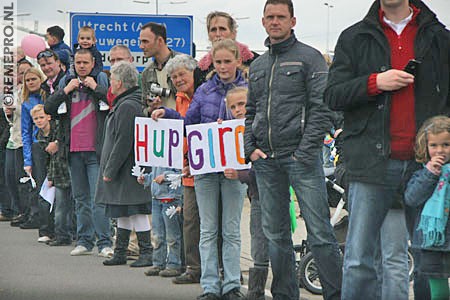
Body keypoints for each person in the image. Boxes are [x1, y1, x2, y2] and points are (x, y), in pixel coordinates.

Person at [324, 0, 450, 299]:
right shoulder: (354, 37)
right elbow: (332, 95)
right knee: (358, 260)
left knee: (428, 261)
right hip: (371, 164)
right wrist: (375, 82)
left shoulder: (439, 37)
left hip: (427, 166)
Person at [244, 1, 342, 299]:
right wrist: (250, 148)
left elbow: (321, 108)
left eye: (281, 17)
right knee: (276, 237)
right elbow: (250, 112)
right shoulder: (258, 65)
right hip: (266, 160)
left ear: (293, 20)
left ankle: (336, 294)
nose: (275, 22)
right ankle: (286, 295)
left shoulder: (310, 58)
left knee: (321, 234)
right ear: (263, 21)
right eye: (270, 17)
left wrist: (304, 151)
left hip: (301, 158)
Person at [152, 39, 248, 300]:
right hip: (205, 169)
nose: (224, 66)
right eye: (219, 62)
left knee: (230, 230)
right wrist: (167, 114)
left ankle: (231, 285)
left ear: (238, 61)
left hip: (234, 169)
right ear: (212, 64)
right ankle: (210, 286)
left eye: (228, 61)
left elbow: (255, 125)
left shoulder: (249, 89)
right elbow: (188, 124)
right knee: (208, 229)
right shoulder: (204, 90)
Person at [44, 49, 113, 257]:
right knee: (80, 198)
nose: (82, 66)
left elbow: (113, 102)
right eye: (78, 62)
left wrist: (97, 88)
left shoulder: (99, 82)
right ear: (74, 64)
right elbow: (48, 108)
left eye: (85, 62)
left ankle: (104, 243)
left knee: (97, 199)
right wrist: (64, 90)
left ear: (93, 63)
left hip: (95, 150)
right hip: (73, 150)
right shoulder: (68, 82)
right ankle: (84, 241)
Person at [95, 61, 153, 267]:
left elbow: (123, 140)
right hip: (125, 167)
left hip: (128, 168)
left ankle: (147, 252)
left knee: (136, 209)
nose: (110, 84)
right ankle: (120, 251)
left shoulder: (127, 105)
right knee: (122, 209)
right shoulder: (126, 103)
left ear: (119, 83)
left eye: (111, 80)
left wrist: (110, 169)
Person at [227, 87, 269, 299]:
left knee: (266, 243)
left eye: (241, 104)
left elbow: (262, 167)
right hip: (256, 195)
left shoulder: (260, 127)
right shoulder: (236, 130)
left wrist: (240, 175)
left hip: (266, 192)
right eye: (232, 107)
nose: (237, 110)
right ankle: (256, 291)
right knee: (258, 242)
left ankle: (260, 291)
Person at [164, 54, 202, 284]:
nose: (178, 79)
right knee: (190, 220)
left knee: (211, 221)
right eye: (174, 76)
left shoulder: (204, 94)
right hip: (188, 167)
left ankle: (215, 267)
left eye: (182, 74)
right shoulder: (178, 98)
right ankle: (193, 268)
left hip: (206, 166)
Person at [405, 116, 450, 300]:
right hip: (429, 244)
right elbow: (411, 198)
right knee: (436, 292)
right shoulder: (421, 173)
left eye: (446, 144)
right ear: (426, 146)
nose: (440, 150)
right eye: (434, 145)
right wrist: (430, 173)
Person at [20, 67, 54, 242]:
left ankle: (60, 227)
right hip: (36, 147)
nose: (31, 82)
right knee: (42, 188)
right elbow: (25, 132)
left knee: (58, 185)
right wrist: (27, 160)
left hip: (53, 142)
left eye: (34, 79)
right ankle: (45, 229)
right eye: (27, 80)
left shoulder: (48, 95)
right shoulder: (26, 103)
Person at [31, 104, 73, 246]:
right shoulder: (40, 135)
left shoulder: (59, 129)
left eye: (41, 117)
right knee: (57, 204)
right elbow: (49, 158)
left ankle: (70, 233)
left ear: (49, 117)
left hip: (68, 168)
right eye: (36, 119)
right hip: (56, 172)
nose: (39, 121)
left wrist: (56, 143)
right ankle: (59, 233)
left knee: (71, 204)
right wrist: (50, 176)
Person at [138, 166, 183, 277]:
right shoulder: (159, 157)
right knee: (157, 234)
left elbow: (180, 173)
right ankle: (158, 263)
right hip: (157, 198)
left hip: (171, 197)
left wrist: (165, 176)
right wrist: (146, 179)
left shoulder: (174, 153)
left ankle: (174, 264)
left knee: (172, 236)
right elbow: (155, 174)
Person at [194, 11, 259, 88]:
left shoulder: (255, 62)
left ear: (233, 33)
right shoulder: (200, 70)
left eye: (222, 29)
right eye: (213, 30)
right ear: (209, 35)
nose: (218, 34)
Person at [5, 60, 33, 227]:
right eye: (19, 73)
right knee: (11, 178)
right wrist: (8, 112)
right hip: (13, 138)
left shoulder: (30, 92)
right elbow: (10, 119)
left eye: (25, 73)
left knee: (23, 178)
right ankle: (19, 210)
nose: (22, 76)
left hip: (25, 140)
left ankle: (27, 212)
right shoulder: (14, 91)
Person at [139, 22, 181, 114]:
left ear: (160, 41)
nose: (141, 46)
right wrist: (151, 108)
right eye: (140, 42)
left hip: (184, 123)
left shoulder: (183, 63)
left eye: (145, 41)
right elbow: (143, 109)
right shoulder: (146, 73)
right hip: (160, 125)